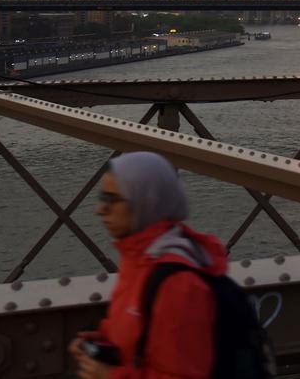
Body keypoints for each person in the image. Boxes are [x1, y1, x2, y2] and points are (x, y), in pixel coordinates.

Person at [70, 151, 229, 379]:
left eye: (111, 199)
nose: (100, 209)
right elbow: (144, 334)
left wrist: (110, 375)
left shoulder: (177, 284)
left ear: (144, 202)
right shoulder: (138, 258)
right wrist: (103, 339)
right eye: (101, 197)